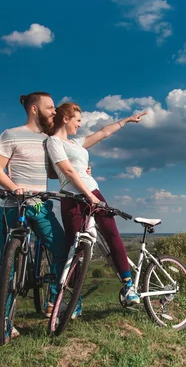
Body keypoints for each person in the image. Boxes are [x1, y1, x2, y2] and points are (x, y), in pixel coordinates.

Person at [46, 101, 147, 318]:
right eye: (78, 120)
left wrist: (127, 120)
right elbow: (68, 171)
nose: (80, 125)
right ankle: (74, 301)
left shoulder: (76, 143)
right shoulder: (54, 142)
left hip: (93, 192)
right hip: (73, 197)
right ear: (66, 119)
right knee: (75, 250)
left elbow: (102, 133)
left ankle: (128, 286)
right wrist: (88, 196)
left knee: (111, 233)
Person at [0, 92, 67, 339]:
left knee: (61, 249)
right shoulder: (10, 135)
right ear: (35, 109)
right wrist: (15, 188)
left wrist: (79, 169)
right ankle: (4, 322)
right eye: (50, 107)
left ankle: (53, 303)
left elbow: (54, 173)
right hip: (15, 206)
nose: (54, 111)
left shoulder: (48, 140)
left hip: (41, 206)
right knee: (7, 265)